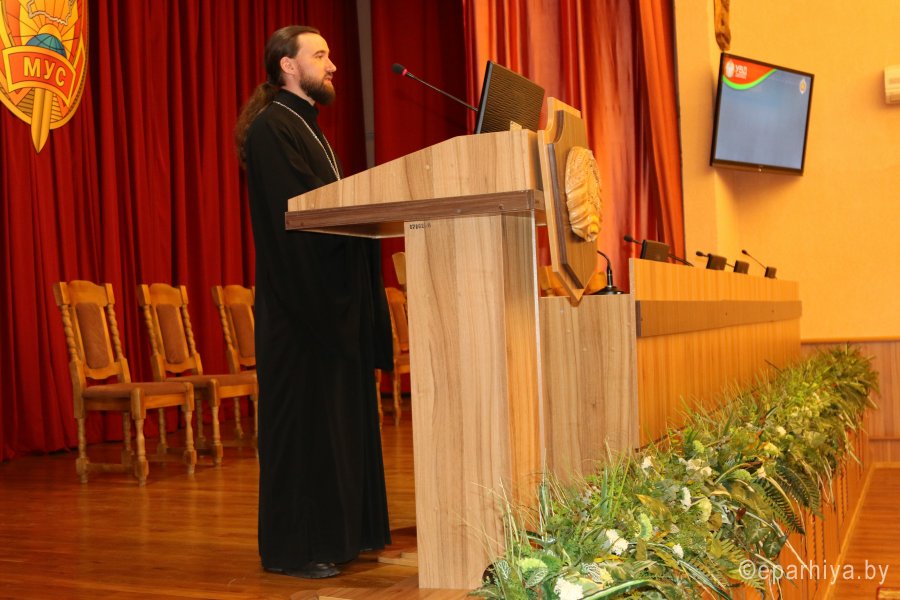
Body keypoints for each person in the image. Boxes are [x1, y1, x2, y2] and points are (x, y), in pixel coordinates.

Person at [234, 25, 393, 580]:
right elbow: (295, 223)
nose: (332, 65)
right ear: (287, 65)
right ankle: (299, 548)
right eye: (319, 55)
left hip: (328, 303)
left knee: (337, 426)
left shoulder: (308, 126)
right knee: (304, 431)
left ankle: (345, 535)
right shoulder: (272, 128)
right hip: (300, 310)